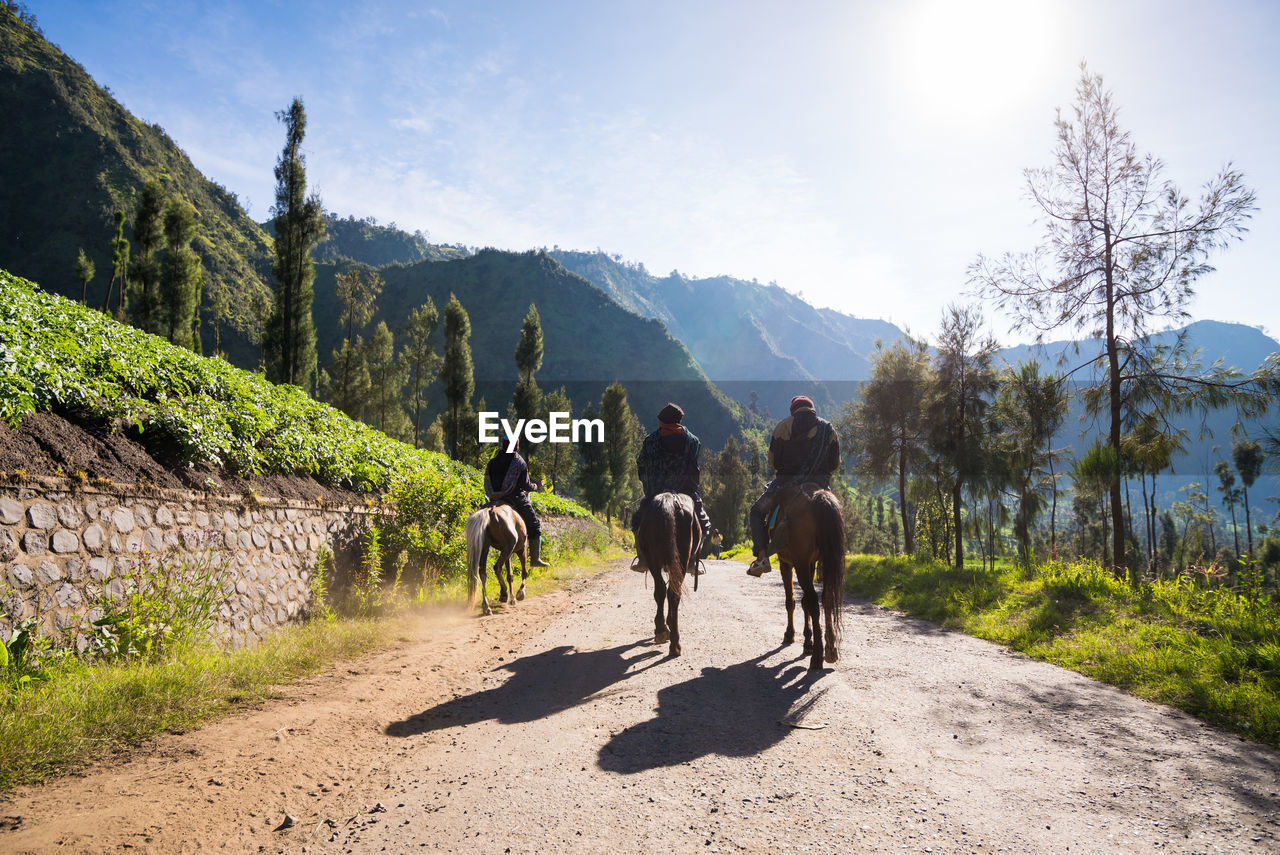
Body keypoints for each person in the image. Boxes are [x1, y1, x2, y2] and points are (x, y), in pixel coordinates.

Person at [746, 395, 840, 577]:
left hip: (785, 484)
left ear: (793, 410)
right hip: (819, 484)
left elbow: (773, 461)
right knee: (834, 513)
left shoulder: (783, 426)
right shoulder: (828, 429)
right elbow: (834, 463)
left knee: (756, 512)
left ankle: (762, 558)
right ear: (812, 409)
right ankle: (830, 557)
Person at [632, 402, 712, 571]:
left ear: (662, 422)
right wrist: (690, 488)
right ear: (679, 421)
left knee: (637, 521)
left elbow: (641, 465)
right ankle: (691, 562)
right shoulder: (693, 441)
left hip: (656, 491)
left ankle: (643, 560)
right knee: (703, 522)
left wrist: (649, 487)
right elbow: (694, 469)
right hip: (686, 491)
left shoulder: (650, 441)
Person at [484, 436, 550, 567]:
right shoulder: (519, 462)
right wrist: (537, 485)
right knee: (535, 525)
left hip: (493, 498)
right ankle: (535, 559)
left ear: (503, 445)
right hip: (514, 497)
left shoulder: (492, 462)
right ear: (516, 446)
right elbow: (526, 486)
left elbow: (487, 481)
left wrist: (495, 495)